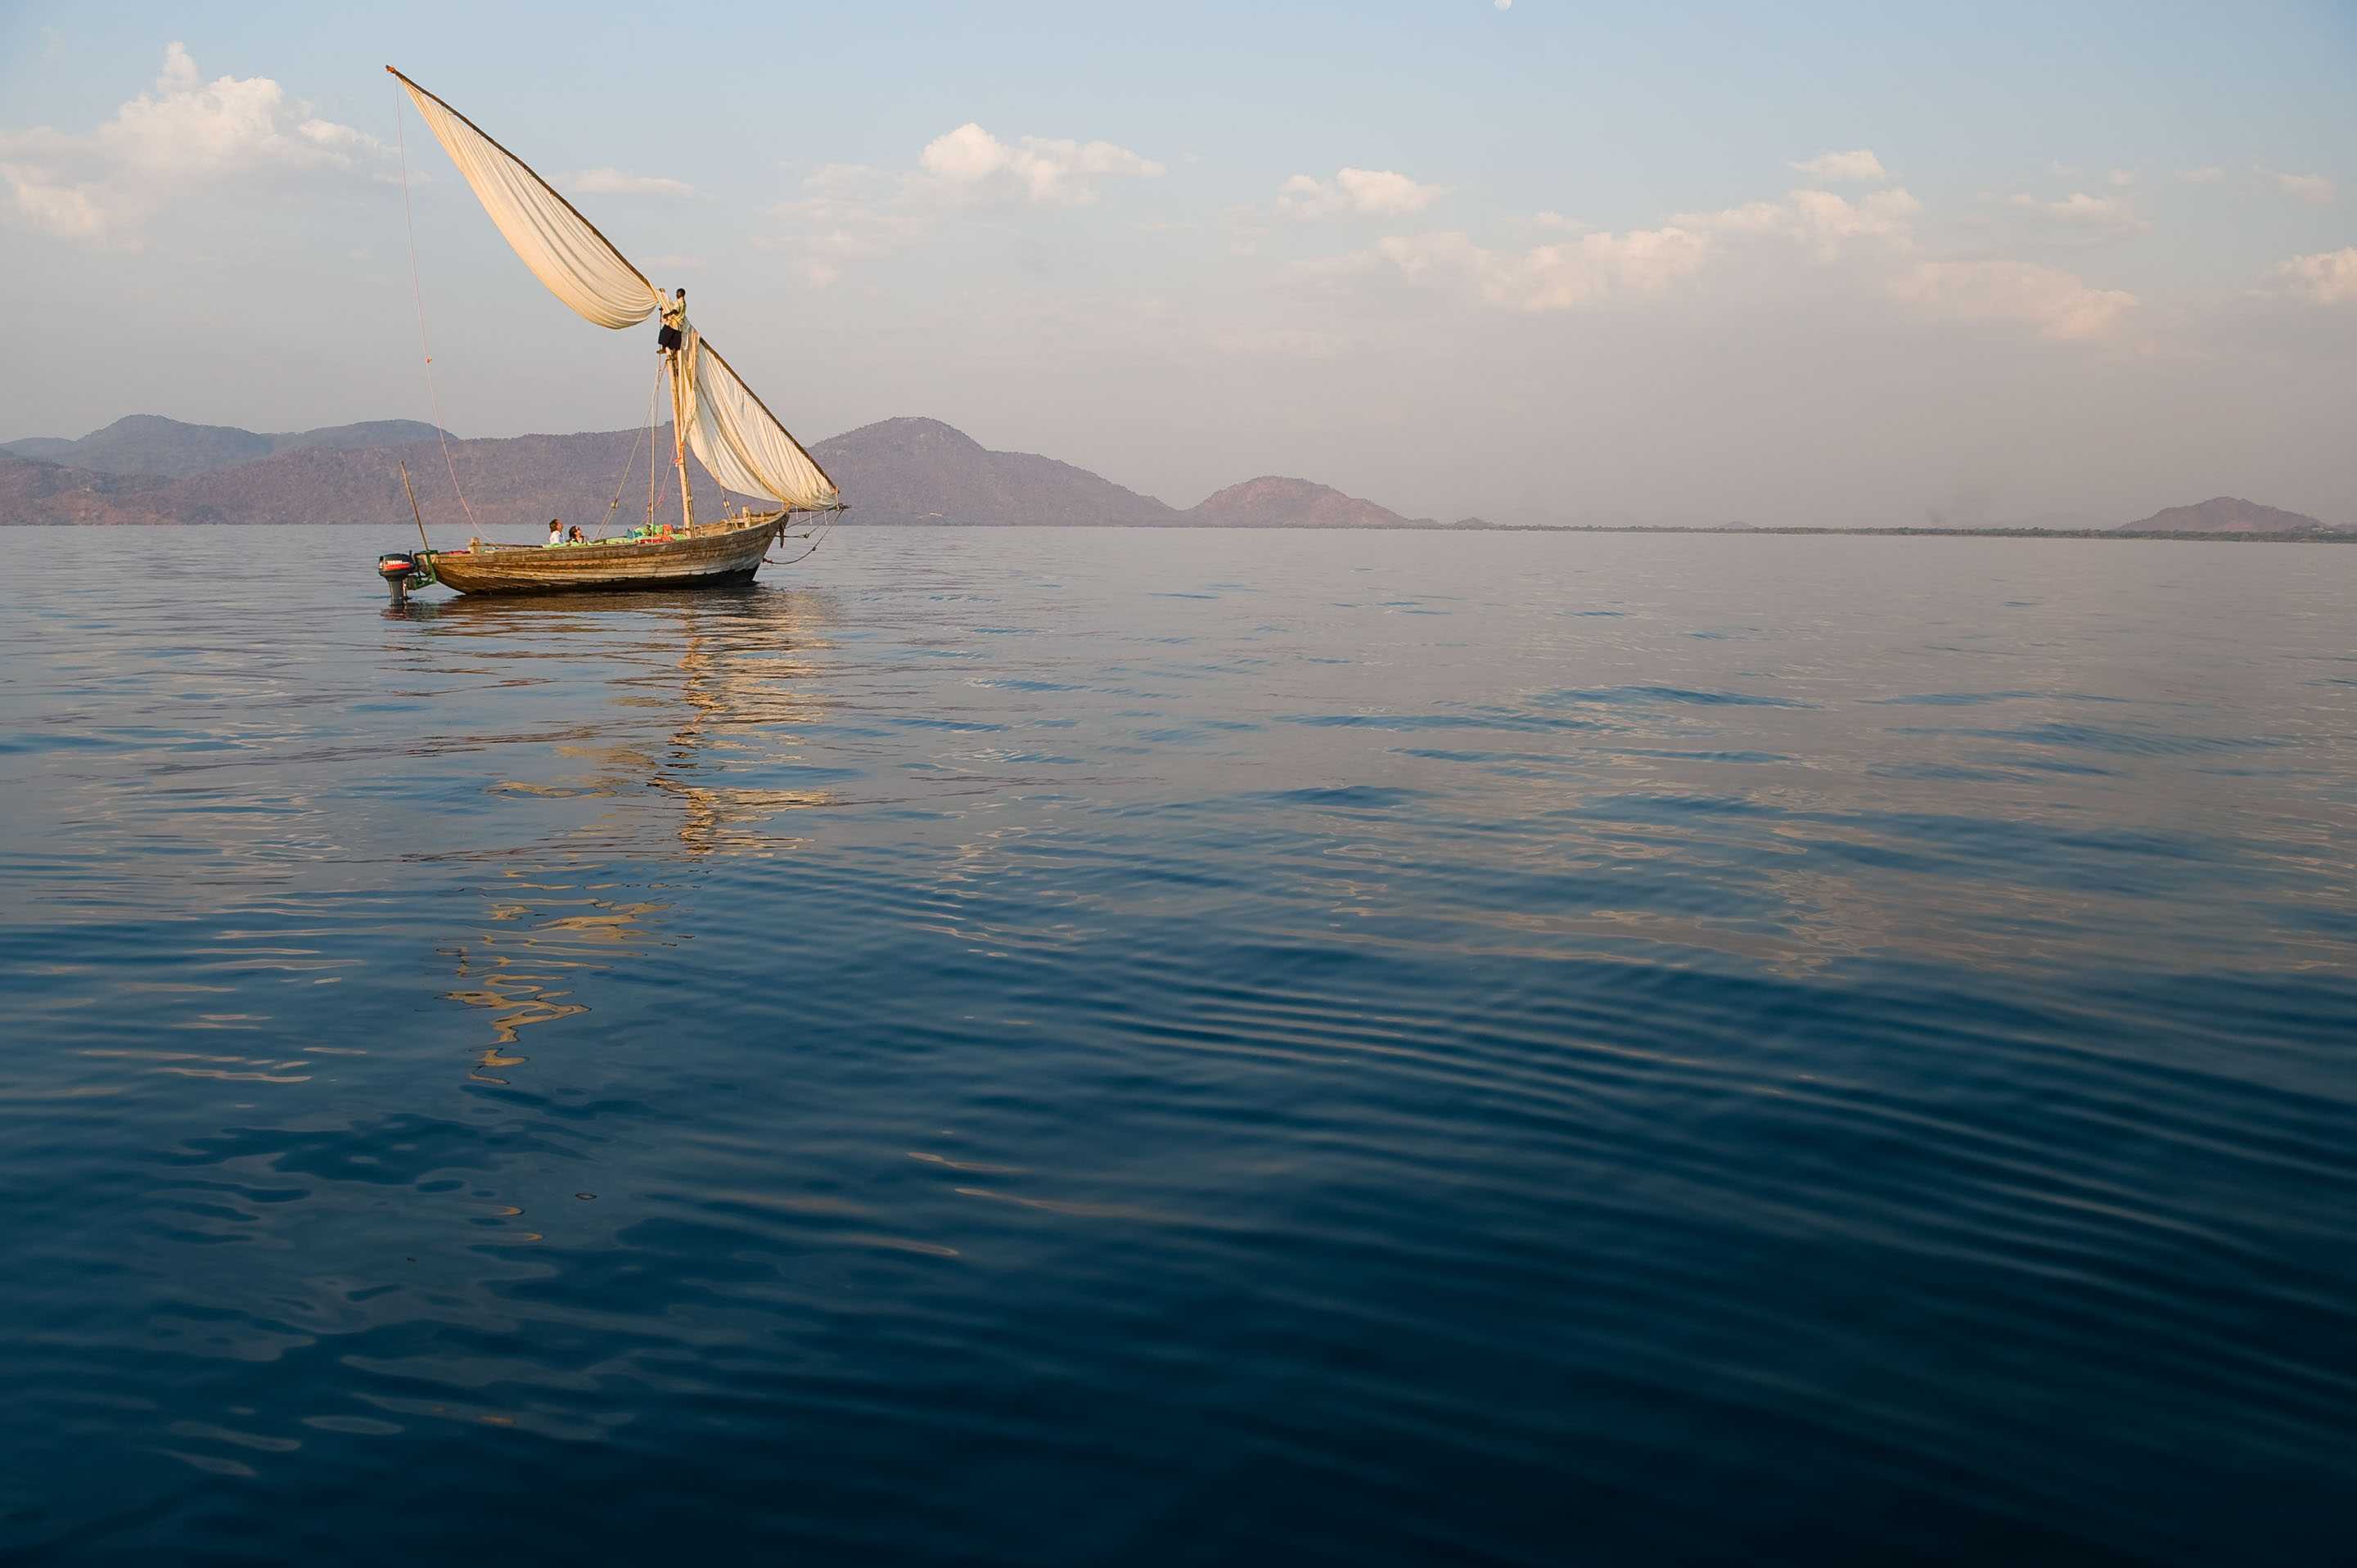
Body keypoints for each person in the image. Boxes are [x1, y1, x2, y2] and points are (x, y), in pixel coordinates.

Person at [657, 287, 687, 356]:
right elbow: (671, 304)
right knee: (675, 342)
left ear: (680, 294)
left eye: (677, 293)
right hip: (679, 326)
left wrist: (667, 314)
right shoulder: (684, 303)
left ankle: (664, 349)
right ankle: (673, 353)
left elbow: (675, 310)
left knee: (664, 335)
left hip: (673, 323)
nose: (676, 294)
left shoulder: (679, 302)